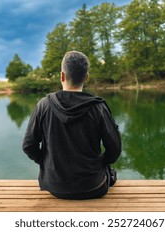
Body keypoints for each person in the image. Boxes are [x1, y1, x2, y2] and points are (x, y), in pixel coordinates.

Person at [22, 51, 122, 199]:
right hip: (93, 186)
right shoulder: (98, 107)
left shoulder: (43, 105)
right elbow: (114, 149)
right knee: (110, 172)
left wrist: (47, 163)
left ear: (62, 76)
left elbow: (29, 146)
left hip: (55, 186)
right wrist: (100, 163)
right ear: (86, 77)